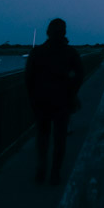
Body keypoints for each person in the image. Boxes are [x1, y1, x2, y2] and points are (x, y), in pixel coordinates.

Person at [25, 18, 84, 185]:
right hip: (62, 102)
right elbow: (80, 75)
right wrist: (72, 93)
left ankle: (41, 168)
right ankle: (55, 173)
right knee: (60, 139)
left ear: (48, 33)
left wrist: (32, 99)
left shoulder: (37, 52)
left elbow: (28, 78)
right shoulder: (70, 53)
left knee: (42, 137)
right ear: (64, 33)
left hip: (41, 102)